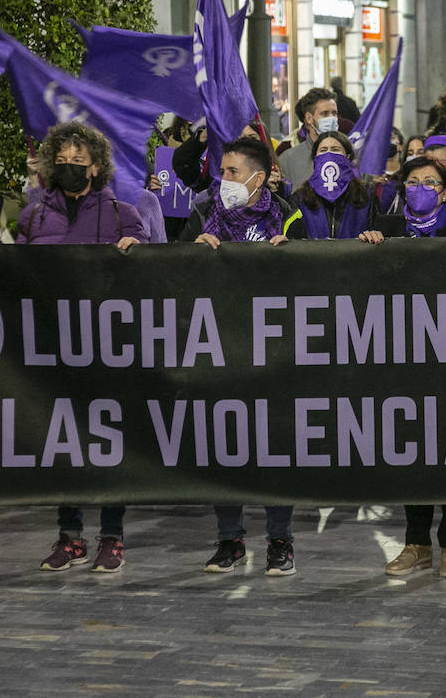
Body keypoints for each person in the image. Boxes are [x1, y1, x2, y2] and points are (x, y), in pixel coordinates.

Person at [20, 123, 147, 574]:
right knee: (64, 447)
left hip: (108, 351)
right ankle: (69, 536)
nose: (71, 168)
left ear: (97, 166)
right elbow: (13, 278)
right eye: (64, 161)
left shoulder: (121, 215)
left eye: (80, 162)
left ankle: (112, 537)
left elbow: (156, 280)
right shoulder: (33, 218)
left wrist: (139, 253)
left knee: (111, 446)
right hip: (54, 352)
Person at [359, 157, 446, 577]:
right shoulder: (387, 227)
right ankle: (416, 544)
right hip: (403, 357)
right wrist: (364, 247)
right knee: (413, 450)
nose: (420, 187)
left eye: (430, 182)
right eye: (412, 181)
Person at [184, 137, 301, 576]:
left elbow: (312, 280)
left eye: (233, 172)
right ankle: (230, 540)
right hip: (221, 348)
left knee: (274, 450)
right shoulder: (204, 215)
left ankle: (280, 540)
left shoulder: (289, 218)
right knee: (224, 446)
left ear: (259, 175)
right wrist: (196, 254)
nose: (224, 180)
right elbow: (174, 273)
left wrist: (285, 261)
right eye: (222, 172)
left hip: (275, 353)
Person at [295, 130, 379, 239]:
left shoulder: (366, 194)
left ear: (347, 157)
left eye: (335, 150)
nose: (329, 154)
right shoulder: (300, 197)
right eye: (323, 150)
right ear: (315, 158)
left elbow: (376, 231)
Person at [277, 88, 340, 190]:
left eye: (334, 113)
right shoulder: (288, 159)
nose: (331, 118)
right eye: (324, 114)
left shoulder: (347, 155)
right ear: (309, 118)